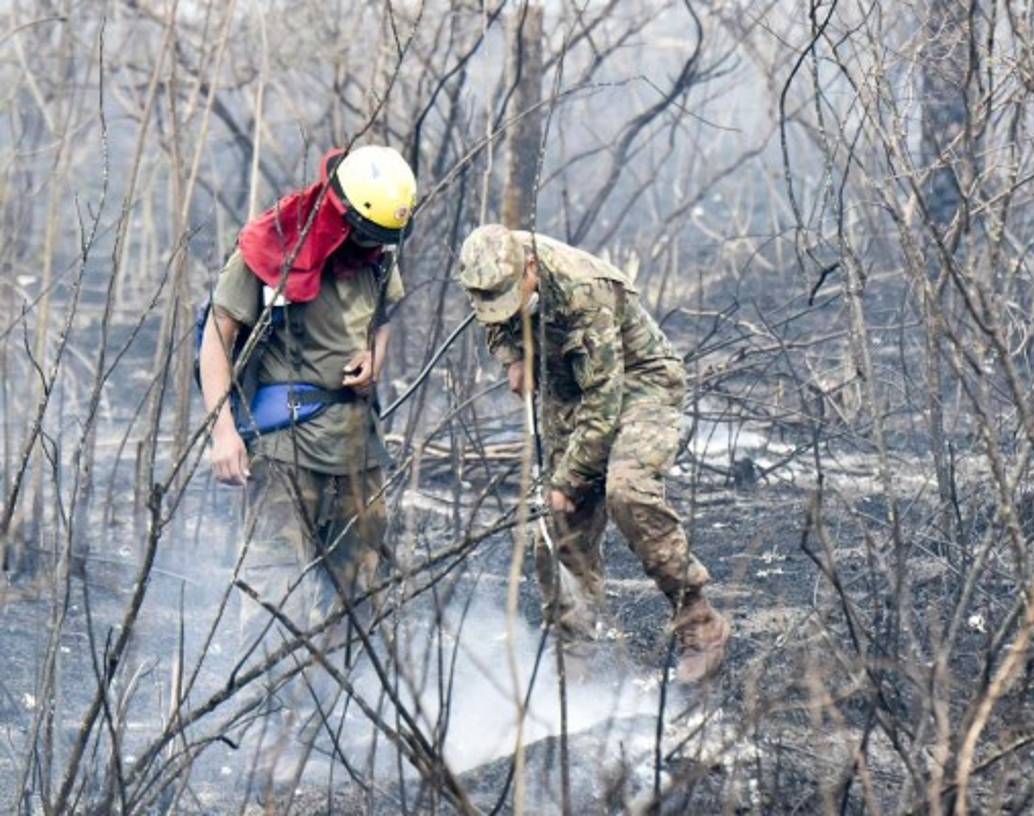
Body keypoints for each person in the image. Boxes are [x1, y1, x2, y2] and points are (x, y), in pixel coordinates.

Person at [456, 224, 731, 683]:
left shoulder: (584, 291)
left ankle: (700, 623)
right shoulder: (492, 268)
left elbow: (603, 403)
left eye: (510, 294)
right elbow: (495, 322)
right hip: (568, 392)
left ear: (529, 269)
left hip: (639, 385)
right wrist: (515, 357)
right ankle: (573, 659)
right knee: (557, 525)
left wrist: (570, 480)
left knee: (626, 492)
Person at [199, 144, 414, 653]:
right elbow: (217, 336)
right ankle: (269, 724)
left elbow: (383, 321)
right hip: (284, 449)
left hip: (358, 449)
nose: (371, 246)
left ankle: (350, 725)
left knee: (367, 602)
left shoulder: (377, 255)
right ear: (344, 211)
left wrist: (374, 359)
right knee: (276, 603)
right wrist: (223, 430)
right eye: (366, 234)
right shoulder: (272, 243)